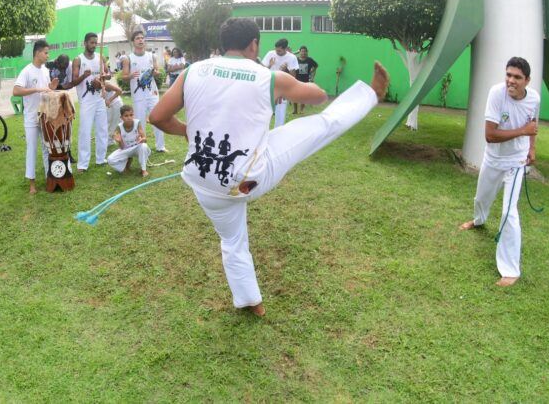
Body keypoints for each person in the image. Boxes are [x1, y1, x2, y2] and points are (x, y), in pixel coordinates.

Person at [149, 18, 389, 316]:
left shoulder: (192, 71)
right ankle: (370, 95)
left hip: (202, 181)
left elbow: (157, 117)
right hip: (249, 178)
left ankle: (251, 302)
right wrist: (293, 80)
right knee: (319, 125)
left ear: (224, 44)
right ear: (253, 45)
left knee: (231, 240)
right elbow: (318, 97)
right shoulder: (268, 76)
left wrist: (187, 131)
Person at [459, 57, 540, 287]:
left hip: (516, 162)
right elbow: (490, 135)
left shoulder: (534, 98)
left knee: (509, 212)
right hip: (493, 159)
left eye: (517, 77)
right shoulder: (496, 93)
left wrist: (532, 147)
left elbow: (533, 125)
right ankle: (478, 220)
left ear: (527, 80)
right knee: (482, 197)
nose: (510, 81)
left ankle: (510, 270)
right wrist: (523, 130)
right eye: (508, 75)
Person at [13, 40, 59, 194]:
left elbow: (46, 91)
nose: (47, 55)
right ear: (37, 53)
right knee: (31, 149)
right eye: (46, 52)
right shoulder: (27, 71)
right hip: (31, 118)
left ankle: (49, 178)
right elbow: (16, 91)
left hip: (45, 116)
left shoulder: (45, 71)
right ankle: (32, 184)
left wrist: (51, 88)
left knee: (47, 148)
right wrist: (35, 89)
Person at [68, 32, 110, 172]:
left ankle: (101, 159)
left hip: (99, 98)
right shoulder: (78, 60)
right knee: (85, 131)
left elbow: (109, 74)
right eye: (91, 42)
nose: (93, 45)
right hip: (86, 100)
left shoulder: (100, 57)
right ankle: (82, 164)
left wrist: (105, 76)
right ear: (85, 43)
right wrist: (83, 76)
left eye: (95, 43)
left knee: (102, 129)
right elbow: (73, 81)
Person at [121, 30, 166, 152]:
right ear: (133, 42)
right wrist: (130, 75)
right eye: (137, 38)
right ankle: (142, 147)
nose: (141, 40)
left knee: (157, 118)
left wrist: (156, 73)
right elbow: (123, 77)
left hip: (152, 94)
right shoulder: (128, 58)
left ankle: (160, 146)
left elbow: (157, 73)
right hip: (138, 95)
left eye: (142, 38)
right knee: (140, 121)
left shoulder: (152, 56)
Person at [262, 38, 299, 128]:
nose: (277, 52)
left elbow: (293, 77)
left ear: (286, 49)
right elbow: (262, 71)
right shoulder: (270, 54)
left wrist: (286, 69)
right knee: (265, 114)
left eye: (279, 50)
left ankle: (277, 135)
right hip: (269, 87)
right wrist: (270, 65)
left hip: (282, 89)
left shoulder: (291, 57)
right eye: (276, 49)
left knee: (280, 115)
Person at [108, 104, 151, 176]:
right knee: (110, 159)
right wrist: (120, 141)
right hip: (126, 149)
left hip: (137, 148)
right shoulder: (119, 127)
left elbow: (145, 139)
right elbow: (122, 147)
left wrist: (142, 139)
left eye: (131, 115)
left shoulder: (137, 123)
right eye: (126, 116)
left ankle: (143, 170)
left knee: (143, 146)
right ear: (121, 117)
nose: (129, 117)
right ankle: (125, 166)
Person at [293, 46, 319, 114]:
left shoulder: (309, 60)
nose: (303, 53)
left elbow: (316, 65)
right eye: (302, 51)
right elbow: (289, 55)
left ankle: (301, 110)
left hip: (306, 80)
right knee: (295, 95)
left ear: (307, 52)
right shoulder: (296, 59)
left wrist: (312, 72)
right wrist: (296, 51)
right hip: (296, 80)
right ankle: (295, 110)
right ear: (300, 52)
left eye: (305, 51)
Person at [104, 80, 124, 145]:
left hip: (116, 104)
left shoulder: (106, 84)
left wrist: (110, 100)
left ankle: (113, 139)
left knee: (116, 122)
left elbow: (119, 90)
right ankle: (109, 139)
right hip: (108, 106)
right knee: (108, 122)